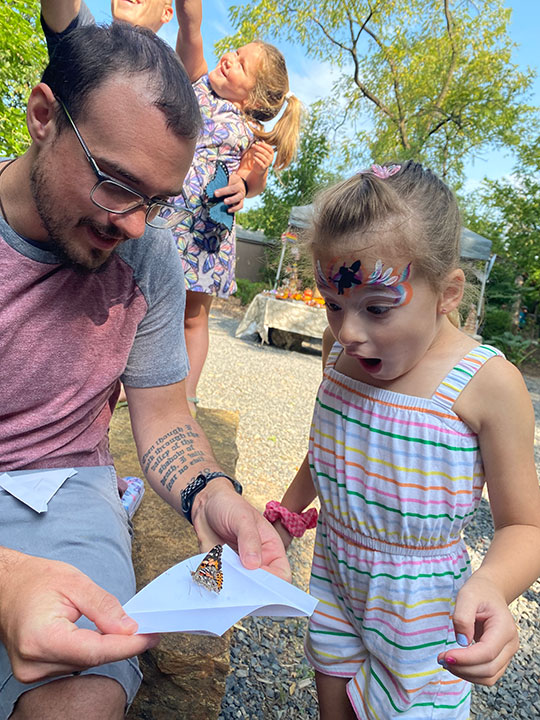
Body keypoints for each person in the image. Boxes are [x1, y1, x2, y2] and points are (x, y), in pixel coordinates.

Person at [0, 23, 289, 720]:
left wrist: (213, 495)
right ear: (43, 117)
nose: (134, 225)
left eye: (157, 201)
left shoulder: (151, 257)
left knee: (82, 694)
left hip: (62, 488)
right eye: (115, 184)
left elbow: (162, 417)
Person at [262, 162, 540, 719]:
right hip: (336, 578)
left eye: (378, 308)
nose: (348, 331)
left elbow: (525, 527)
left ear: (448, 292)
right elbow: (331, 452)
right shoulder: (341, 352)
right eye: (334, 304)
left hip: (428, 615)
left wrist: (491, 585)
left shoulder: (488, 385)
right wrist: (282, 518)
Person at [173, 0, 303, 412]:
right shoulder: (195, 83)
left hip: (205, 237)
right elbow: (191, 26)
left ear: (254, 99)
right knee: (142, 305)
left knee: (194, 318)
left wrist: (247, 179)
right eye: (234, 50)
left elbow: (251, 186)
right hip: (164, 222)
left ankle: (186, 396)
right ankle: (132, 385)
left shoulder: (252, 133)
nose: (229, 57)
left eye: (242, 64)